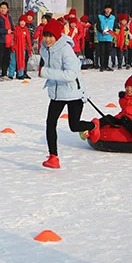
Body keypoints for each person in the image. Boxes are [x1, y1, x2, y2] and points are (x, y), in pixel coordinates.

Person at [39, 18, 98, 169]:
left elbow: (71, 74)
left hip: (74, 93)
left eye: (51, 36)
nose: (47, 39)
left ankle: (93, 126)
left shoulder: (66, 50)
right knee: (50, 123)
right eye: (45, 35)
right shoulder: (44, 49)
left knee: (74, 125)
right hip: (57, 93)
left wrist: (46, 72)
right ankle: (53, 157)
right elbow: (46, 63)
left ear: (57, 36)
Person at [0, 2, 14, 81]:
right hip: (0, 40)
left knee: (6, 58)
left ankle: (4, 74)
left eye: (4, 8)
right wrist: (6, 31)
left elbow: (12, 27)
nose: (2, 9)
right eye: (1, 8)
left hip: (8, 41)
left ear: (7, 9)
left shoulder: (9, 17)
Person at [11, 15, 32, 80]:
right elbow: (12, 38)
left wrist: (29, 49)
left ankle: (20, 74)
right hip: (15, 48)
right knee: (13, 62)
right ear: (19, 22)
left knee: (21, 61)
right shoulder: (15, 29)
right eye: (21, 21)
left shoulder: (26, 30)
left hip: (23, 49)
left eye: (24, 21)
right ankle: (10, 74)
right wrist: (12, 46)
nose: (22, 23)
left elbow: (28, 41)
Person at [96, 4, 116, 71]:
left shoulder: (113, 17)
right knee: (102, 52)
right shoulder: (100, 16)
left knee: (107, 52)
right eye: (107, 9)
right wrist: (102, 31)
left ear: (111, 10)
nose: (108, 10)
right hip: (102, 37)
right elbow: (97, 26)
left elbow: (115, 26)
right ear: (104, 9)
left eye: (109, 9)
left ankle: (106, 65)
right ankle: (102, 66)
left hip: (109, 37)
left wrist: (114, 32)